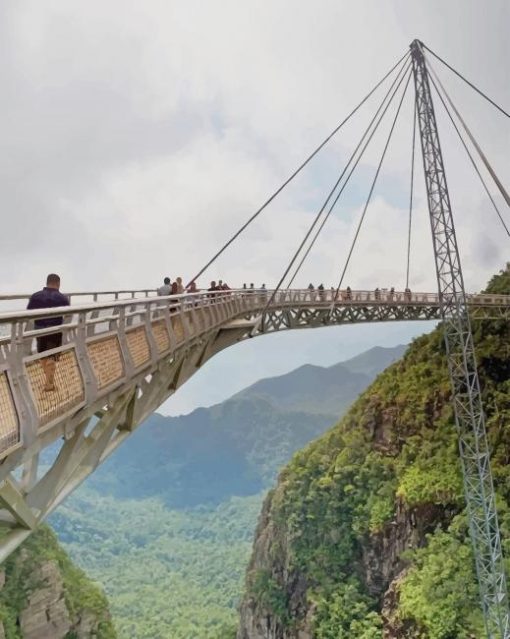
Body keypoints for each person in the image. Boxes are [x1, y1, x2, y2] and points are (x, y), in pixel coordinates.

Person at [27, 273, 70, 392]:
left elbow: (29, 312)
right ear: (58, 283)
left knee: (43, 356)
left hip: (39, 329)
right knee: (52, 357)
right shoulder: (62, 298)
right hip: (55, 331)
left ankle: (48, 382)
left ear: (47, 282)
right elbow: (68, 314)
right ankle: (49, 384)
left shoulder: (35, 296)